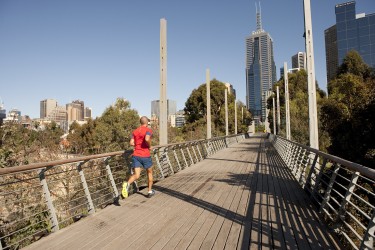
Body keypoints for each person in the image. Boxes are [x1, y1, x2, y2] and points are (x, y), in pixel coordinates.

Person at [122, 116, 155, 198]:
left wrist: (138, 144)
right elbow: (147, 139)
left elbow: (131, 143)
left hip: (136, 155)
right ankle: (150, 191)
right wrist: (150, 146)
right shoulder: (148, 130)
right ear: (147, 122)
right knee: (149, 173)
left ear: (140, 122)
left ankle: (127, 184)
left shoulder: (135, 131)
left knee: (137, 175)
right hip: (145, 155)